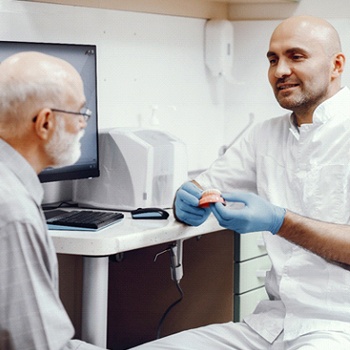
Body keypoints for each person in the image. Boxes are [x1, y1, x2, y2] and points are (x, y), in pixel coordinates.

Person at [130, 15, 350, 349]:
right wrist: (187, 197)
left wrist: (280, 220)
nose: (280, 71)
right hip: (269, 325)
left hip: (337, 328)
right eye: (273, 59)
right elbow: (204, 185)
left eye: (296, 56)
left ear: (336, 66)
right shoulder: (265, 135)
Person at [0, 52, 105, 349]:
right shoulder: (12, 211)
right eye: (80, 113)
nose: (85, 124)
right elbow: (38, 345)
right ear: (45, 122)